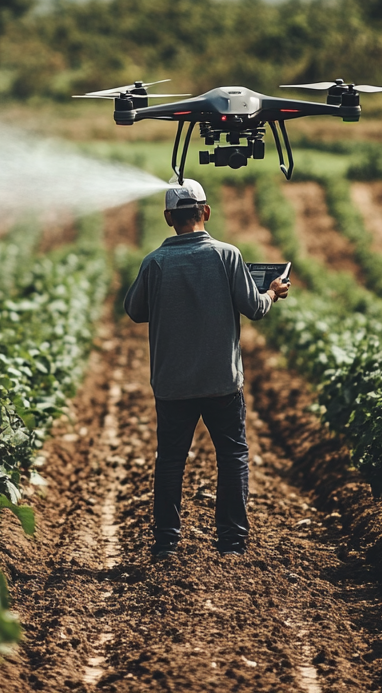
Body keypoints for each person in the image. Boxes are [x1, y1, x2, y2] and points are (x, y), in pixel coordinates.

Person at [124, 179, 290, 558]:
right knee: (232, 455)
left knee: (170, 460)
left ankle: (166, 543)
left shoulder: (155, 262)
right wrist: (272, 291)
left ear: (169, 218)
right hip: (222, 381)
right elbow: (256, 309)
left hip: (172, 384)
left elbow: (134, 311)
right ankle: (231, 543)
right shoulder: (227, 256)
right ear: (206, 212)